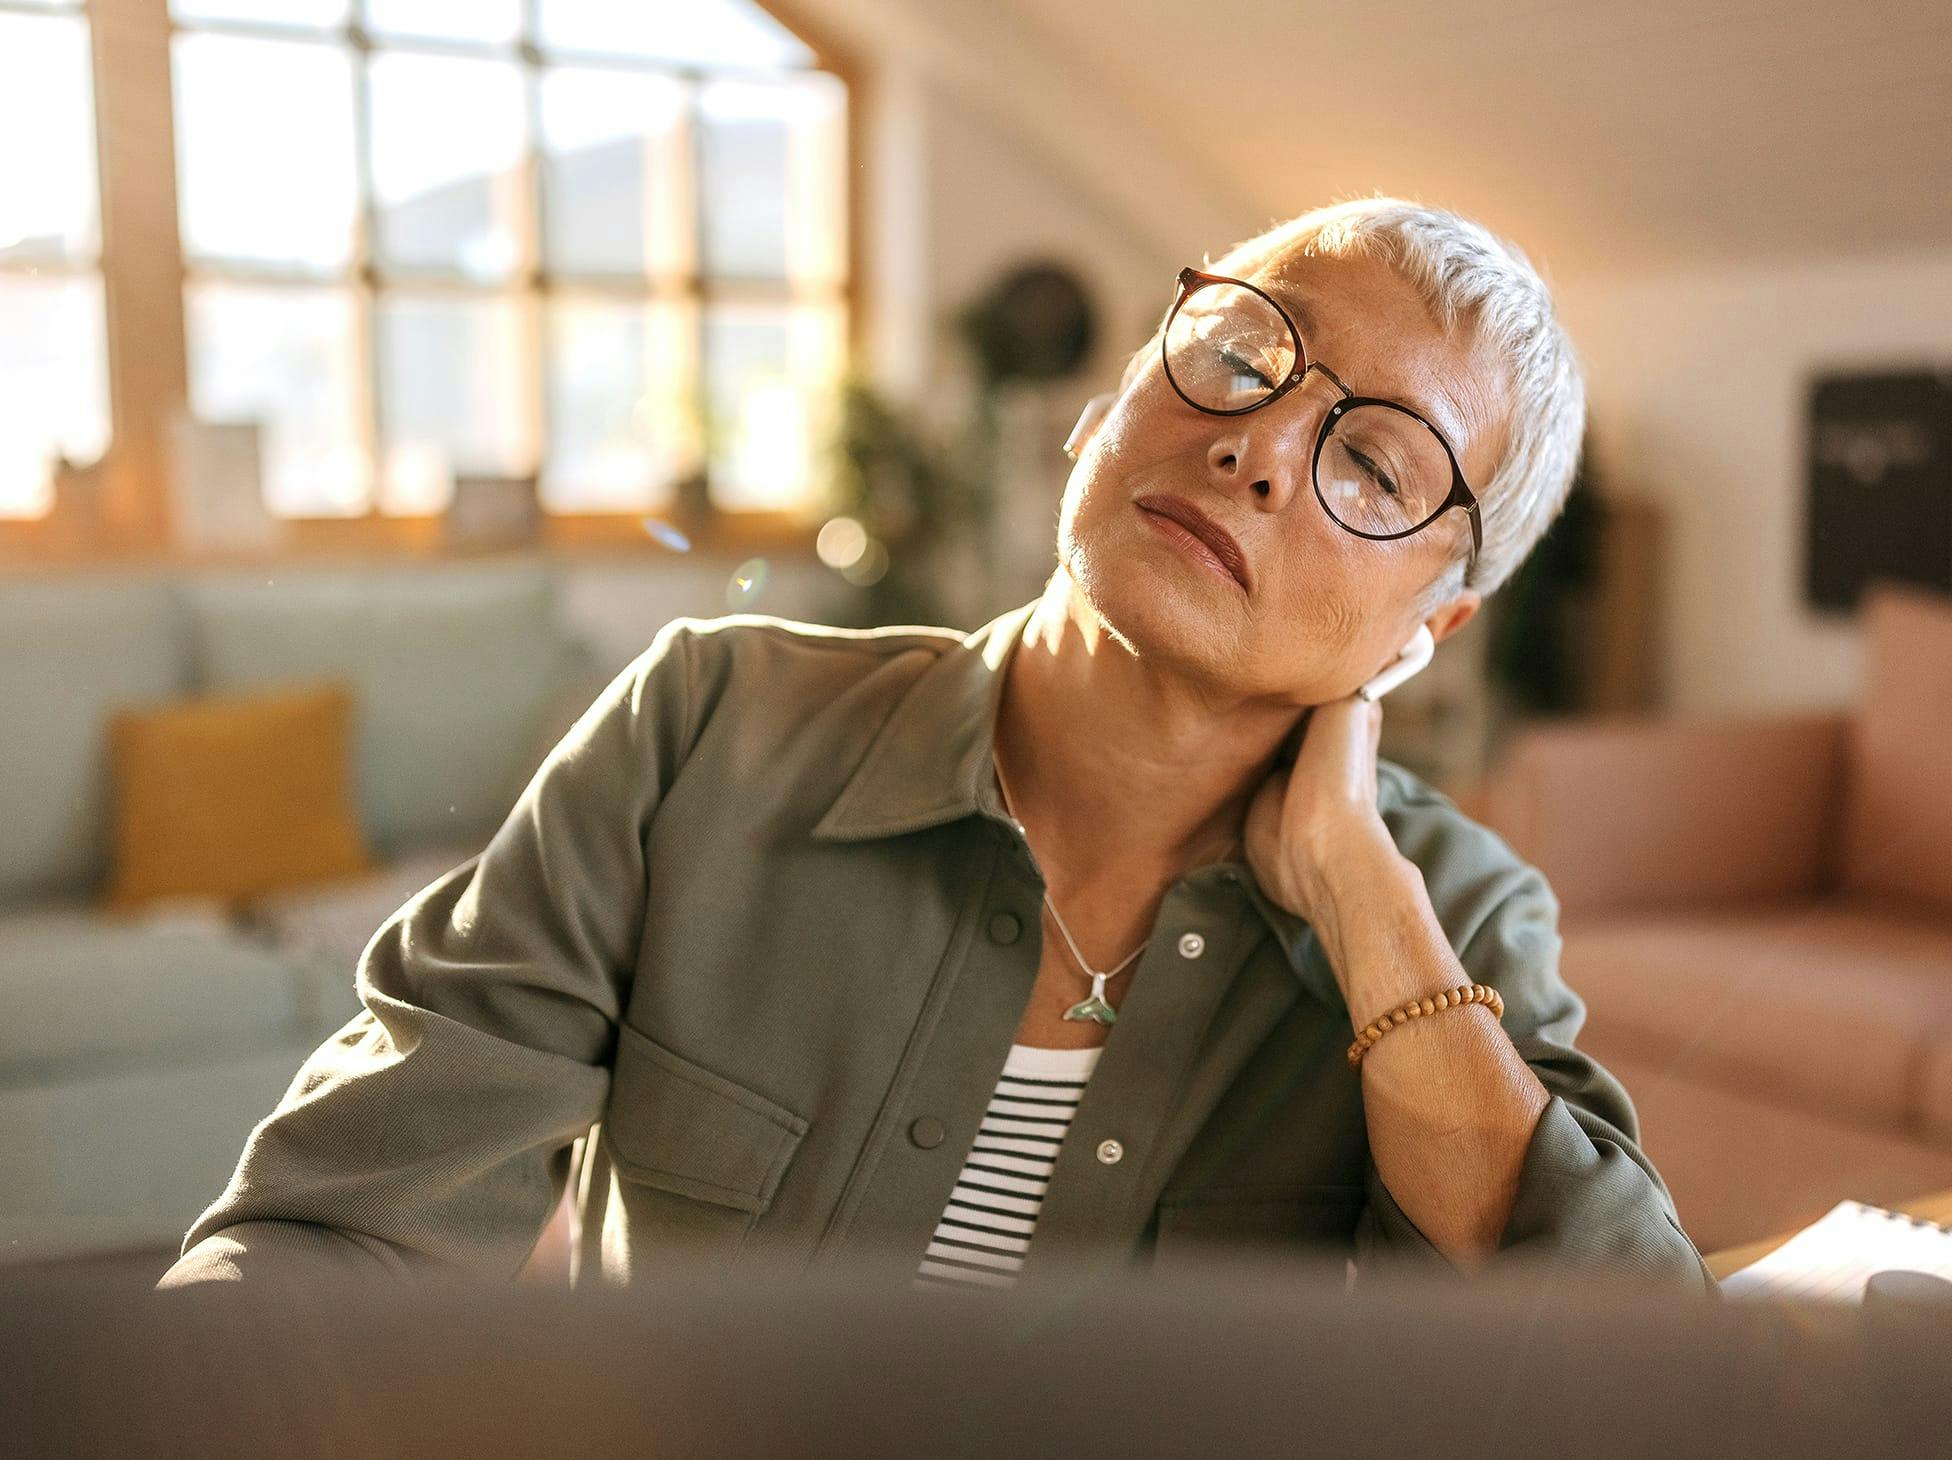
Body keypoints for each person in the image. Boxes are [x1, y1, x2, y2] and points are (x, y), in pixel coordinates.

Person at [156, 196, 1713, 1296]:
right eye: (1243, 357)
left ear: (1420, 633)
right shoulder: (706, 729)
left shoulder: (1451, 914)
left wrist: (1362, 904)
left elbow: (1643, 1362)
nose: (1253, 444)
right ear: (1109, 407)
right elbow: (338, 1230)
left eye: (1371, 460)